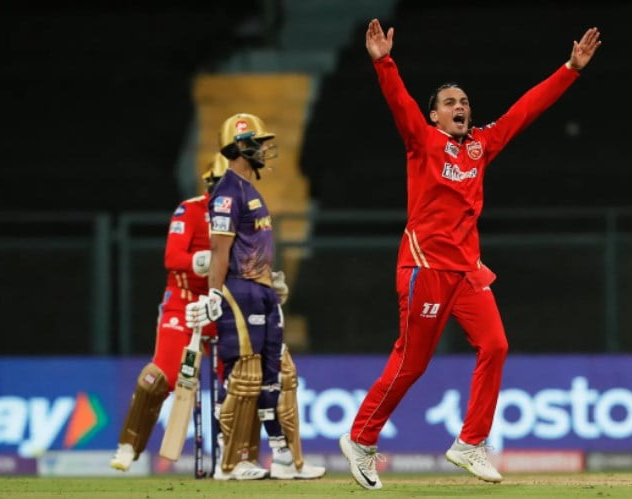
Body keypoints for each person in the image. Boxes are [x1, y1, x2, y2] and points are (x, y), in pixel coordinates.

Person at [339, 19, 602, 490]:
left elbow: (524, 110)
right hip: (425, 267)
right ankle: (360, 439)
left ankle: (470, 443)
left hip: (466, 271)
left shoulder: (480, 145)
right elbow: (399, 103)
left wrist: (571, 69)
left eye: (463, 101)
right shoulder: (423, 141)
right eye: (449, 103)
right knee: (411, 363)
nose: (459, 106)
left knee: (496, 345)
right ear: (434, 116)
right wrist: (384, 62)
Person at [185, 113, 325, 480]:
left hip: (260, 290)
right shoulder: (227, 193)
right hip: (239, 291)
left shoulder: (250, 189)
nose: (264, 149)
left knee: (278, 376)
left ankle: (282, 457)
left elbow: (252, 246)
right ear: (240, 146)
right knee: (244, 376)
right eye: (258, 143)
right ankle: (229, 462)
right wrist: (214, 295)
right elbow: (220, 250)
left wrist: (270, 280)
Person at [110, 154, 225, 472]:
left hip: (221, 305)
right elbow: (172, 258)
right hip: (184, 304)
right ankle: (129, 445)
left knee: (240, 381)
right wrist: (202, 261)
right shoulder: (190, 210)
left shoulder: (245, 216)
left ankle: (233, 457)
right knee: (162, 377)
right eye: (218, 185)